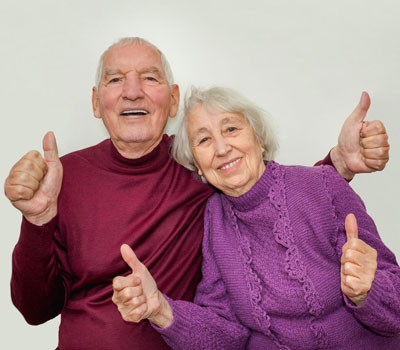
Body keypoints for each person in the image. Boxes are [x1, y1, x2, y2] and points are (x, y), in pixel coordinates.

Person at [4, 37, 389, 350]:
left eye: (150, 78)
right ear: (95, 100)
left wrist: (337, 163)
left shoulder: (197, 166)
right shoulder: (64, 175)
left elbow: (272, 196)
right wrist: (37, 220)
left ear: (172, 100)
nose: (133, 91)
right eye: (115, 79)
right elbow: (36, 311)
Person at [112, 86, 400, 350]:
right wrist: (161, 309)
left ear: (259, 139)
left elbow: (395, 308)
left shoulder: (324, 185)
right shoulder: (215, 219)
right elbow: (225, 333)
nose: (222, 148)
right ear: (198, 167)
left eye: (232, 129)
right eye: (204, 140)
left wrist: (367, 293)